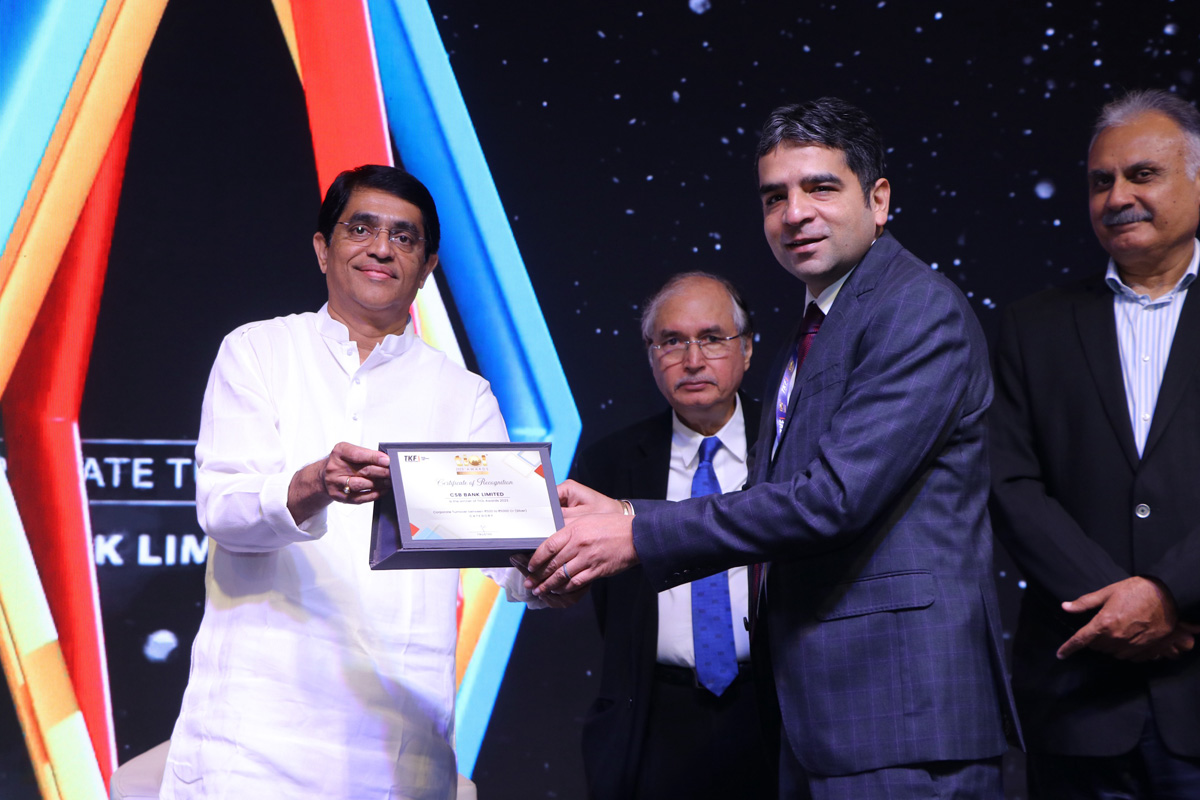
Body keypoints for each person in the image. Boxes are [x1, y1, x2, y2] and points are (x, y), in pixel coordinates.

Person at [524, 97, 1017, 798]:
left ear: (878, 200)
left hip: (899, 715)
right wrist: (608, 530)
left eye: (821, 187)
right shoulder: (811, 330)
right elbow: (773, 504)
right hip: (819, 720)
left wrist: (636, 528)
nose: (794, 213)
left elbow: (832, 500)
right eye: (774, 197)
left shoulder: (915, 308)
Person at [160, 165, 535, 799]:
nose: (381, 248)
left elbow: (512, 556)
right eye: (360, 229)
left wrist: (557, 562)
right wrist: (313, 484)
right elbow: (224, 511)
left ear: (428, 266)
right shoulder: (259, 351)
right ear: (322, 248)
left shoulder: (464, 395)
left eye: (404, 237)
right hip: (251, 740)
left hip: (397, 751)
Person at [989, 88, 1200, 799]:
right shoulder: (1031, 326)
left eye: (1143, 175)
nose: (1118, 197)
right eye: (1101, 181)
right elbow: (1007, 484)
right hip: (1077, 701)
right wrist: (1119, 606)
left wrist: (1168, 593)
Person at [572, 272, 774, 799]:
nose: (692, 360)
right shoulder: (608, 464)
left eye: (712, 338)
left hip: (775, 711)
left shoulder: (790, 446)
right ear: (650, 354)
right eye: (672, 341)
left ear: (747, 348)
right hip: (653, 718)